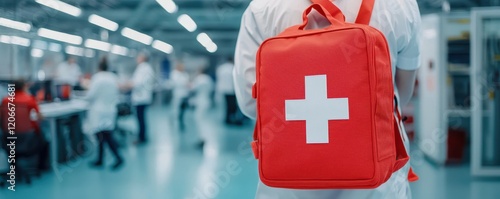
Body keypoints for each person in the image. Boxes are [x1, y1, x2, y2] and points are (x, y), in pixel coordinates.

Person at [233, 0, 421, 198]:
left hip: (289, 186)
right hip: (377, 187)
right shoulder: (399, 4)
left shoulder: (263, 7)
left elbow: (250, 104)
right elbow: (403, 92)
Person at [0, 80, 49, 170]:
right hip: (27, 139)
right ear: (24, 87)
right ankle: (42, 167)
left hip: (8, 138)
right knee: (46, 140)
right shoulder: (29, 99)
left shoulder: (5, 100)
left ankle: (14, 169)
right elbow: (39, 117)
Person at [85, 57, 123, 170]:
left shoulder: (97, 78)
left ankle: (118, 158)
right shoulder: (113, 78)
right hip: (110, 110)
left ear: (99, 67)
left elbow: (90, 95)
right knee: (103, 136)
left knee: (104, 136)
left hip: (99, 111)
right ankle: (100, 159)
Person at [122, 52, 155, 144]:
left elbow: (137, 83)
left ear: (143, 58)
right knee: (142, 118)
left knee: (140, 119)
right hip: (144, 97)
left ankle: (142, 138)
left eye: (138, 57)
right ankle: (142, 136)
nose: (137, 59)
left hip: (141, 98)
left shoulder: (143, 68)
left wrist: (125, 85)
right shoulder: (147, 68)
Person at [191, 67, 214, 147]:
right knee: (203, 119)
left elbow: (193, 88)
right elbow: (212, 89)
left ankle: (202, 138)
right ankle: (202, 138)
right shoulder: (208, 79)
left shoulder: (199, 78)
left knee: (199, 120)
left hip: (200, 101)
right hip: (207, 100)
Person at [216, 57, 242, 125]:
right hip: (231, 89)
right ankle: (231, 118)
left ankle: (227, 118)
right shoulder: (232, 68)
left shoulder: (221, 68)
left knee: (226, 105)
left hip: (222, 89)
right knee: (232, 105)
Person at [170, 62, 190, 131]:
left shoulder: (184, 74)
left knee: (183, 111)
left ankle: (181, 123)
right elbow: (177, 83)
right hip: (178, 95)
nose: (183, 68)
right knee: (176, 110)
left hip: (185, 95)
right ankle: (174, 123)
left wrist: (186, 84)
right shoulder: (174, 73)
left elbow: (187, 82)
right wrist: (185, 84)